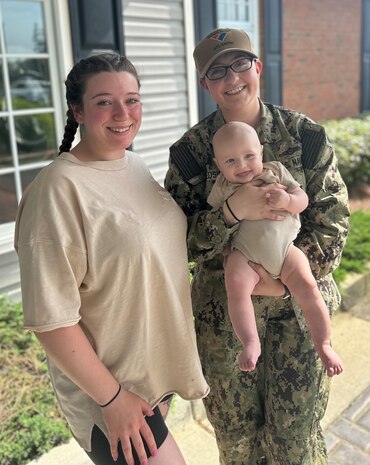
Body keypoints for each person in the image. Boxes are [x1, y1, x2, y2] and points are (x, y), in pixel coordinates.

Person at [164, 28, 350, 465]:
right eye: (217, 71)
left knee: (297, 442)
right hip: (225, 322)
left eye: (240, 64)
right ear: (205, 84)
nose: (232, 78)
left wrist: (284, 281)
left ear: (257, 68)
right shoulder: (190, 154)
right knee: (237, 443)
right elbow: (177, 242)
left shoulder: (305, 137)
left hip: (299, 318)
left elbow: (333, 221)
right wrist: (230, 213)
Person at [14, 52, 209, 465]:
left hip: (153, 374)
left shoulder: (133, 165)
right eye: (105, 101)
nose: (123, 113)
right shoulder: (57, 190)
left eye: (132, 99)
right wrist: (113, 398)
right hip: (112, 393)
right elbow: (52, 321)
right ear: (78, 110)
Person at [208, 120, 343, 376]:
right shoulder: (222, 187)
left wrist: (289, 200)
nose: (243, 165)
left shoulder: (276, 171)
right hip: (245, 254)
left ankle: (324, 344)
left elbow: (302, 200)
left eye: (249, 156)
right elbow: (214, 219)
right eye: (231, 161)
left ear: (260, 150)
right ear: (218, 164)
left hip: (285, 251)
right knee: (235, 286)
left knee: (309, 288)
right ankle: (250, 341)